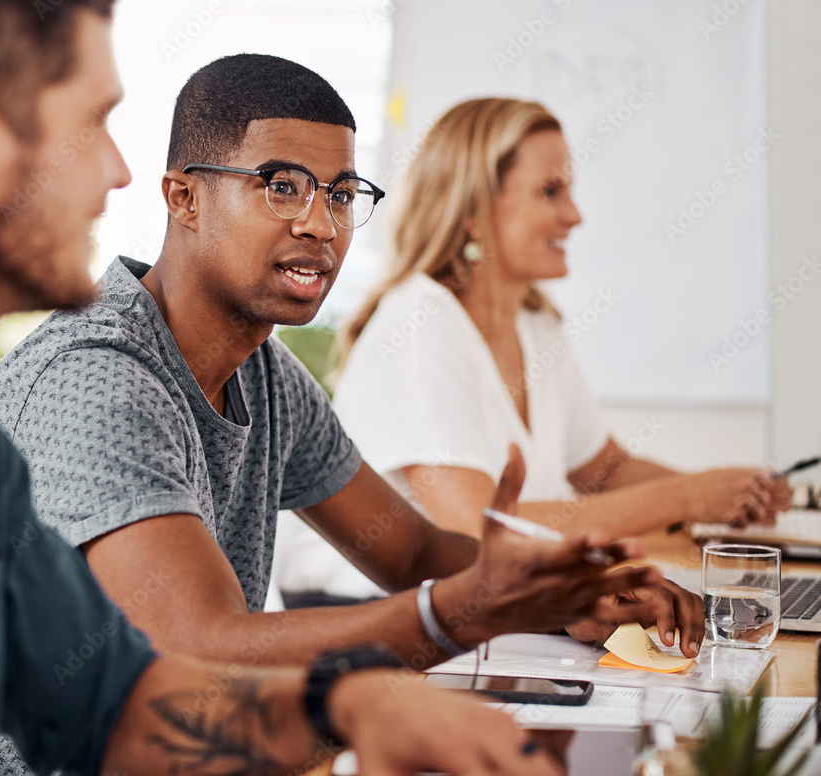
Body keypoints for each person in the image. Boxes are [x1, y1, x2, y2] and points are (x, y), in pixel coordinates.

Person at [0, 5, 566, 774]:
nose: (118, 170)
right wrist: (446, 616)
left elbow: (115, 707)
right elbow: (192, 645)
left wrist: (344, 703)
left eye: (340, 196)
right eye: (94, 122)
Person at [0, 50, 702, 717]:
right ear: (183, 198)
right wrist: (468, 610)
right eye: (281, 186)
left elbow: (412, 551)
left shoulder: (264, 375)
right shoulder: (97, 379)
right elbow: (199, 644)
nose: (321, 224)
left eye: (342, 193)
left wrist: (559, 591)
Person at [274, 97, 792, 605]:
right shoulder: (420, 325)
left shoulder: (534, 322)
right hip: (365, 613)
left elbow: (603, 471)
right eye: (551, 191)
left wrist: (728, 492)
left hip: (481, 605)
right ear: (473, 210)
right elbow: (476, 530)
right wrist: (688, 498)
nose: (575, 215)